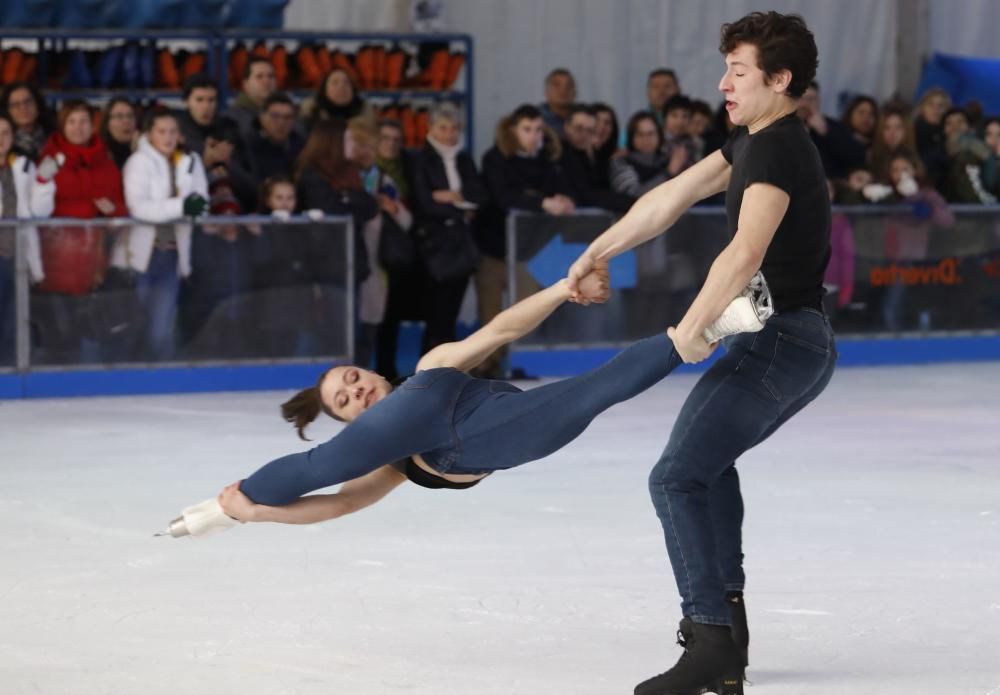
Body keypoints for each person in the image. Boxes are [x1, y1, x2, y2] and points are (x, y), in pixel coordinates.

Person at [566, 11, 837, 694]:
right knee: (705, 468)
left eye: (738, 71)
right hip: (782, 338)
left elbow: (747, 248)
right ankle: (729, 631)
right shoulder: (751, 139)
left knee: (676, 476)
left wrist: (692, 325)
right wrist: (594, 252)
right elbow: (670, 197)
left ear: (780, 80)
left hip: (785, 340)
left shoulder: (778, 149)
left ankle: (710, 636)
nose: (723, 83)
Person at [476, 104, 574, 378]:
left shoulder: (549, 162)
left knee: (526, 309)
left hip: (527, 251)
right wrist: (543, 202)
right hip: (493, 248)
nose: (533, 136)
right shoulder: (495, 158)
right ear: (513, 130)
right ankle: (488, 365)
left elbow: (565, 191)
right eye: (527, 129)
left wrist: (564, 199)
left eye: (538, 130)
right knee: (490, 309)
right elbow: (504, 198)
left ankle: (520, 361)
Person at [118, 109, 209, 361]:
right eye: (162, 131)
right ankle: (127, 375)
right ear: (150, 134)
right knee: (134, 323)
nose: (168, 137)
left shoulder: (190, 160)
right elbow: (139, 208)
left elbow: (201, 204)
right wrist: (181, 207)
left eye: (172, 131)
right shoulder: (138, 162)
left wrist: (192, 209)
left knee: (162, 328)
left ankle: (157, 377)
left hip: (172, 256)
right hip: (141, 259)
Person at [407, 102, 488, 359]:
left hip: (461, 243)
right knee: (436, 312)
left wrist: (451, 197)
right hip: (433, 245)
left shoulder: (464, 159)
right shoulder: (420, 159)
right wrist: (459, 208)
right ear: (431, 128)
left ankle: (449, 366)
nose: (449, 134)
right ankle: (428, 366)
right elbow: (424, 202)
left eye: (454, 128)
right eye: (443, 127)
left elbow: (479, 196)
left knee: (452, 310)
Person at [0, 113, 55, 363]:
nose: (1, 139)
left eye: (5, 133)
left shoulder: (23, 166)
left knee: (15, 322)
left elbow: (38, 211)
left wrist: (43, 182)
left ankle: (11, 371)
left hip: (17, 257)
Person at [559, 104, 633, 213]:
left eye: (589, 130)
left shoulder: (591, 154)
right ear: (567, 126)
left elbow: (600, 187)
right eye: (579, 128)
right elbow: (585, 195)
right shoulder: (559, 153)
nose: (584, 134)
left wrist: (592, 156)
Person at [797, 80, 866, 178]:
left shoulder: (833, 126)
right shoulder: (781, 128)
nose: (805, 104)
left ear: (818, 101)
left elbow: (858, 157)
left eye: (810, 99)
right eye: (801, 98)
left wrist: (827, 132)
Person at [243, 92, 305, 184]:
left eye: (287, 117)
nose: (281, 123)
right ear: (262, 118)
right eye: (275, 116)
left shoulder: (301, 148)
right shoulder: (246, 148)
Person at [609, 111, 669, 197]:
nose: (646, 139)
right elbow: (633, 194)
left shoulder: (666, 160)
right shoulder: (620, 162)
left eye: (650, 134)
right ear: (631, 138)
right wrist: (668, 173)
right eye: (640, 134)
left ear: (659, 135)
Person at [299, 67, 373, 131]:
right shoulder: (310, 113)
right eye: (335, 82)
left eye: (347, 83)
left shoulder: (364, 114)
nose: (341, 87)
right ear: (324, 89)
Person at [224, 57, 277, 143]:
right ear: (246, 84)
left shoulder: (286, 114)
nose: (267, 81)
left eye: (271, 76)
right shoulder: (232, 119)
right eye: (259, 76)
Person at [0, 82, 54, 161]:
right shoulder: (4, 144)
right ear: (7, 111)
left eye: (28, 101)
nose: (23, 108)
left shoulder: (55, 138)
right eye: (15, 104)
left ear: (38, 105)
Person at [177, 72, 221, 157]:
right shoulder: (175, 134)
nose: (206, 106)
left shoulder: (228, 130)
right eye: (199, 100)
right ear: (186, 102)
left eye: (211, 100)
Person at [100, 98, 138, 170]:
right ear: (107, 123)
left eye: (130, 116)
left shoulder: (144, 149)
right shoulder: (100, 155)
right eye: (119, 116)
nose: (126, 121)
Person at [538, 68, 577, 135]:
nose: (563, 90)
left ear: (575, 92)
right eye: (556, 85)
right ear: (546, 92)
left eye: (569, 85)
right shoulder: (536, 119)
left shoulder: (586, 119)